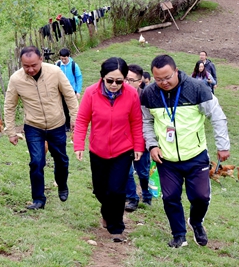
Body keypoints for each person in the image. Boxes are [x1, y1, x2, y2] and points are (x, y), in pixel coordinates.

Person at [142, 54, 230, 248]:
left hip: (195, 155)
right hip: (166, 158)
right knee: (170, 197)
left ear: (176, 71)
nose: (163, 83)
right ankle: (178, 235)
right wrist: (152, 145)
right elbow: (146, 121)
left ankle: (196, 222)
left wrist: (223, 145)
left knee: (201, 197)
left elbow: (217, 116)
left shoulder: (197, 88)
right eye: (158, 79)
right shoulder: (149, 93)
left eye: (167, 77)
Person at [73, 57, 144, 243]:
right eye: (110, 80)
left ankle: (116, 227)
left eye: (119, 81)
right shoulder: (91, 93)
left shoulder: (131, 94)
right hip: (98, 150)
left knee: (117, 190)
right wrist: (79, 144)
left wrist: (139, 146)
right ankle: (106, 211)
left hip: (123, 150)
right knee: (100, 190)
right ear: (102, 77)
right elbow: (82, 120)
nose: (114, 85)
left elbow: (136, 122)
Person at [4, 46, 79, 210]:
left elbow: (69, 95)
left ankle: (62, 184)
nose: (30, 69)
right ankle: (38, 199)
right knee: (36, 162)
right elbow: (9, 106)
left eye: (34, 65)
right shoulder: (16, 79)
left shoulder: (55, 72)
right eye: (26, 66)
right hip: (33, 126)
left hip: (56, 124)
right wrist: (11, 131)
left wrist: (74, 117)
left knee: (62, 160)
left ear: (41, 59)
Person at [124, 63, 152, 210]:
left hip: (142, 141)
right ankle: (132, 197)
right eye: (125, 79)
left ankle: (146, 194)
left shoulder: (146, 97)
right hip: (123, 140)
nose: (126, 83)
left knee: (143, 172)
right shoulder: (118, 95)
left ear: (139, 82)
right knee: (126, 171)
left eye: (130, 80)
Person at [56, 48, 83, 132]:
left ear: (68, 57)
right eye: (62, 59)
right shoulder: (57, 65)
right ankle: (66, 125)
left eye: (65, 59)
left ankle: (76, 124)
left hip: (71, 90)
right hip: (61, 91)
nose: (63, 60)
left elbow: (79, 78)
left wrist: (78, 91)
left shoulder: (74, 65)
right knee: (63, 108)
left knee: (73, 108)